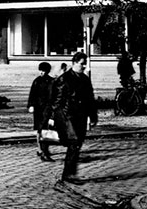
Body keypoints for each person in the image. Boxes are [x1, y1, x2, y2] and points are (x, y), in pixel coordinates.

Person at [49, 52, 98, 184]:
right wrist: (53, 117)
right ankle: (68, 174)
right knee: (74, 142)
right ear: (74, 63)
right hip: (67, 115)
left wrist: (93, 116)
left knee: (78, 143)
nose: (83, 66)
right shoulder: (64, 79)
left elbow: (90, 98)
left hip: (81, 115)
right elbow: (56, 100)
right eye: (81, 64)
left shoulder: (85, 79)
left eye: (85, 64)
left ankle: (70, 173)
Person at [27, 61, 55, 162]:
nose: (41, 72)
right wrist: (31, 105)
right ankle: (40, 149)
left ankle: (44, 149)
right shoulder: (36, 81)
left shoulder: (52, 81)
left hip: (47, 109)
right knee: (39, 129)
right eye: (40, 70)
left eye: (43, 70)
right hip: (38, 108)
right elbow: (32, 94)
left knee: (46, 129)